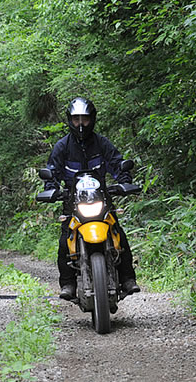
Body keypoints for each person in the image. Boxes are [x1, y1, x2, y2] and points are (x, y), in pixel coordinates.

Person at [44, 97, 140, 300]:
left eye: (85, 119)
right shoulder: (62, 147)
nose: (80, 124)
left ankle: (128, 279)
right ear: (70, 120)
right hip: (72, 201)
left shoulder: (102, 143)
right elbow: (52, 172)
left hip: (102, 198)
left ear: (92, 120)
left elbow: (117, 163)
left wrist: (123, 181)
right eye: (77, 119)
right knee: (65, 241)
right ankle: (68, 284)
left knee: (118, 235)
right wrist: (52, 189)